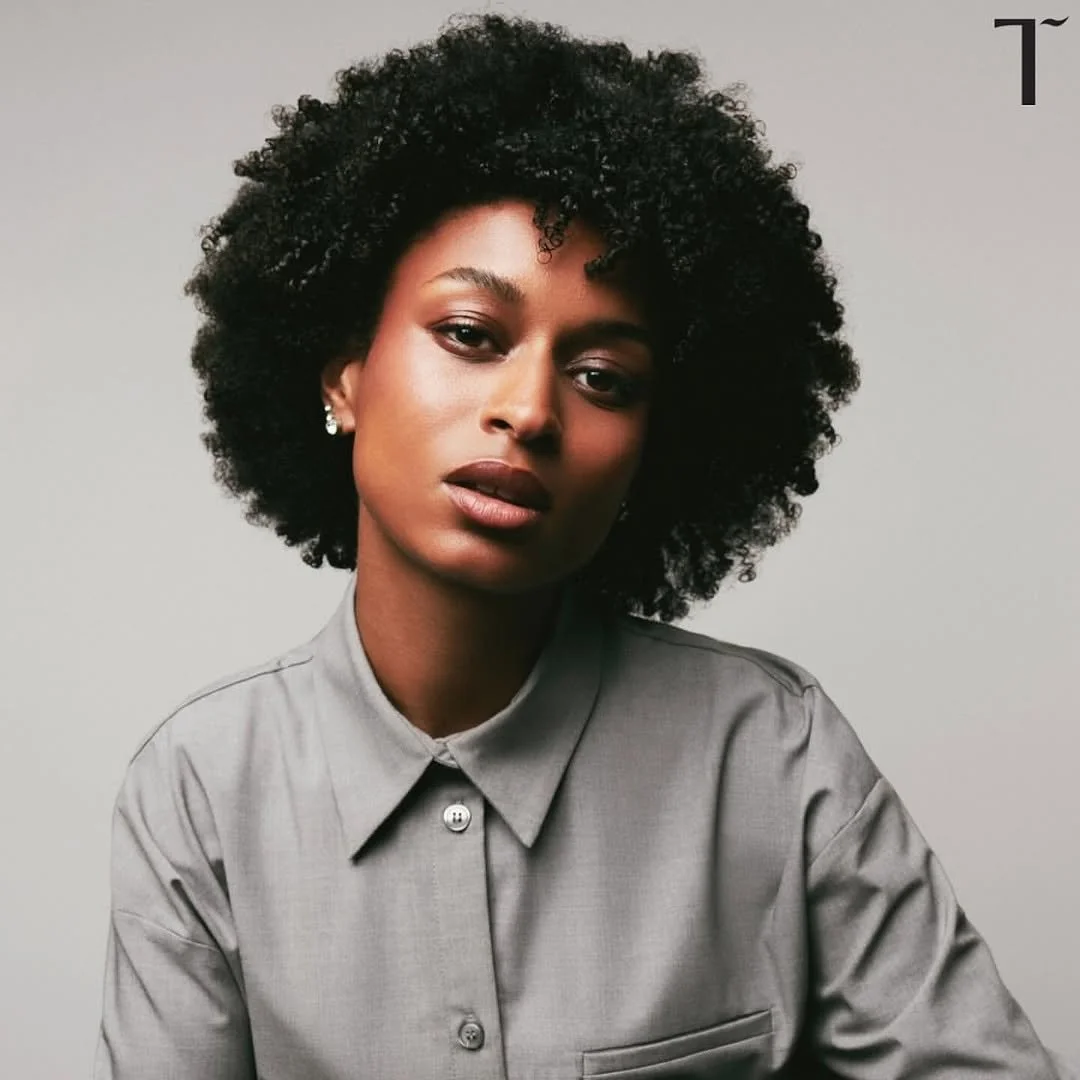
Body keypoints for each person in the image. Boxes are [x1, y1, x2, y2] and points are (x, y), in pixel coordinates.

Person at [93, 12, 1074, 1079]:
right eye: (471, 335)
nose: (530, 411)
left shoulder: (771, 754)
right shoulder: (200, 790)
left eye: (604, 377)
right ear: (344, 375)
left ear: (656, 445)